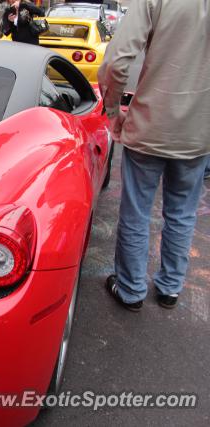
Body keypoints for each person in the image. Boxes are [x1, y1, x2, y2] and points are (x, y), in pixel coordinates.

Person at [98, 0, 210, 312]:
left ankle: (131, 288)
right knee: (182, 213)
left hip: (150, 125)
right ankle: (170, 288)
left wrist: (112, 111)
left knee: (137, 211)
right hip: (199, 131)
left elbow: (115, 63)